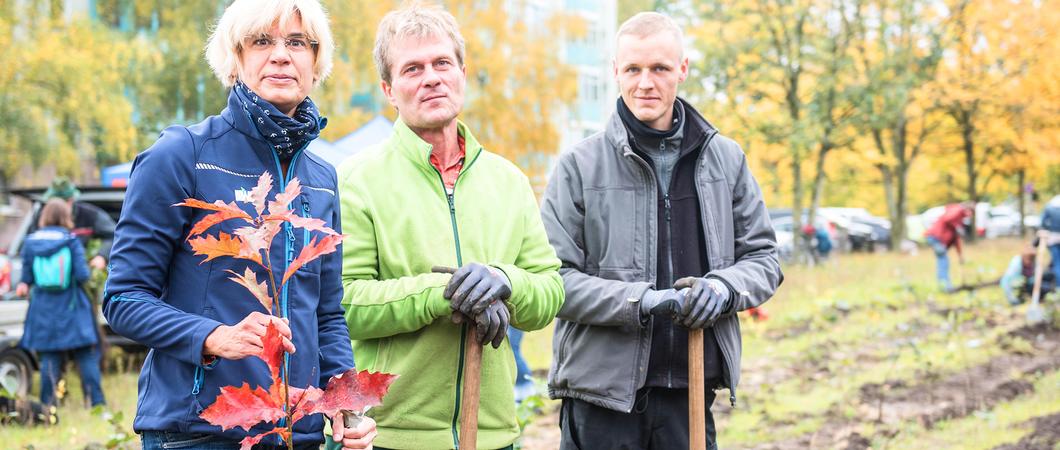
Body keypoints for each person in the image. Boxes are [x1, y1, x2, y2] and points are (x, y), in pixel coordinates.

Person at [102, 1, 375, 449]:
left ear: (315, 61)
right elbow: (123, 299)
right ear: (236, 58)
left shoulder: (323, 181)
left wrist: (345, 401)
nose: (282, 55)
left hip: (298, 434)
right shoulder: (181, 155)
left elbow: (326, 314)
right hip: (198, 433)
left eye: (297, 43)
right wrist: (211, 337)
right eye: (262, 41)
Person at [540, 12, 783, 449]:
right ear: (615, 71)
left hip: (689, 395)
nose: (645, 83)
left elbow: (764, 258)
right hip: (600, 401)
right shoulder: (578, 166)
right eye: (633, 69)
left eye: (660, 68)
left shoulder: (726, 160)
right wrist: (643, 301)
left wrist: (724, 289)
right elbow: (554, 279)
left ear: (683, 70)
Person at [336, 4, 564, 449]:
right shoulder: (356, 181)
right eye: (412, 68)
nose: (431, 77)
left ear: (462, 72)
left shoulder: (509, 182)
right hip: (392, 436)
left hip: (493, 433)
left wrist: (503, 281)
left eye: (442, 63)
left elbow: (549, 293)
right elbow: (345, 305)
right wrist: (442, 292)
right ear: (388, 88)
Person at [16, 199, 106, 408]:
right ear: (66, 216)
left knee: (49, 356)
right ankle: (96, 403)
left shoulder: (30, 242)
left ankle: (48, 406)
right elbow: (83, 275)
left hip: (43, 308)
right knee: (85, 355)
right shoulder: (70, 240)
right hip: (73, 306)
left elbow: (26, 279)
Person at [41, 177, 115, 270]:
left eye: (61, 203)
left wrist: (102, 256)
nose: (56, 208)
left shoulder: (90, 215)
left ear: (71, 200)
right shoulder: (40, 217)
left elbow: (114, 235)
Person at [925, 201, 974, 292]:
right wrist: (958, 224)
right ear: (966, 209)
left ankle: (944, 285)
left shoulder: (959, 220)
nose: (970, 215)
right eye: (970, 211)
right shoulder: (957, 211)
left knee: (943, 260)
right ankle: (945, 286)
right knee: (943, 261)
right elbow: (947, 218)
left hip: (938, 240)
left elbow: (957, 241)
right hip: (935, 238)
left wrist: (960, 256)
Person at [1000, 238, 1056, 305]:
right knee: (1033, 285)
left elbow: (1037, 275)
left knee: (1049, 276)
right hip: (1020, 285)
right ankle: (1024, 296)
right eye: (1028, 260)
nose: (1030, 262)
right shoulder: (1016, 264)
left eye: (1031, 260)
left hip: (1030, 281)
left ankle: (1045, 296)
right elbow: (1005, 282)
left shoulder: (1034, 262)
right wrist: (1012, 299)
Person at [1040, 194, 1060, 284]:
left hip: (1053, 238)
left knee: (1057, 262)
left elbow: (1043, 222)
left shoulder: (1049, 208)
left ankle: (1058, 285)